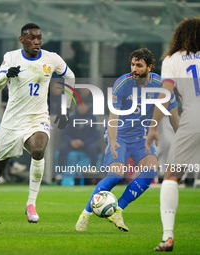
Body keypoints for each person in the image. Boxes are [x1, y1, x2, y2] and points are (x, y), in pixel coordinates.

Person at [0, 23, 75, 229]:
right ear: (22, 40)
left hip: (37, 118)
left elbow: (70, 76)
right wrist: (7, 76)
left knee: (39, 150)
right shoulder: (11, 57)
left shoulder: (51, 58)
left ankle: (31, 204)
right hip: (12, 122)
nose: (37, 42)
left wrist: (65, 108)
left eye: (39, 37)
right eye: (32, 38)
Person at [75, 48, 179, 232]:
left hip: (141, 139)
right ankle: (85, 215)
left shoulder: (161, 85)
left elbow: (173, 116)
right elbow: (113, 116)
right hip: (120, 136)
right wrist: (113, 141)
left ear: (149, 67)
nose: (134, 69)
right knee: (116, 175)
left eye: (139, 65)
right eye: (132, 64)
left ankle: (118, 210)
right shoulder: (122, 84)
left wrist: (183, 139)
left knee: (149, 173)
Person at [145, 17, 200, 252]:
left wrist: (153, 126)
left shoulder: (172, 59)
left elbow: (165, 95)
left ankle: (168, 237)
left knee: (171, 176)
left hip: (194, 117)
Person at [58, 100, 100, 168]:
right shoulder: (71, 118)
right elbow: (64, 134)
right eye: (80, 105)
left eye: (84, 105)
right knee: (63, 148)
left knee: (93, 148)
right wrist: (71, 141)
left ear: (87, 106)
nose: (82, 107)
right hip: (73, 143)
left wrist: (84, 142)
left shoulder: (93, 118)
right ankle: (59, 172)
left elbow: (96, 135)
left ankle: (93, 170)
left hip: (87, 143)